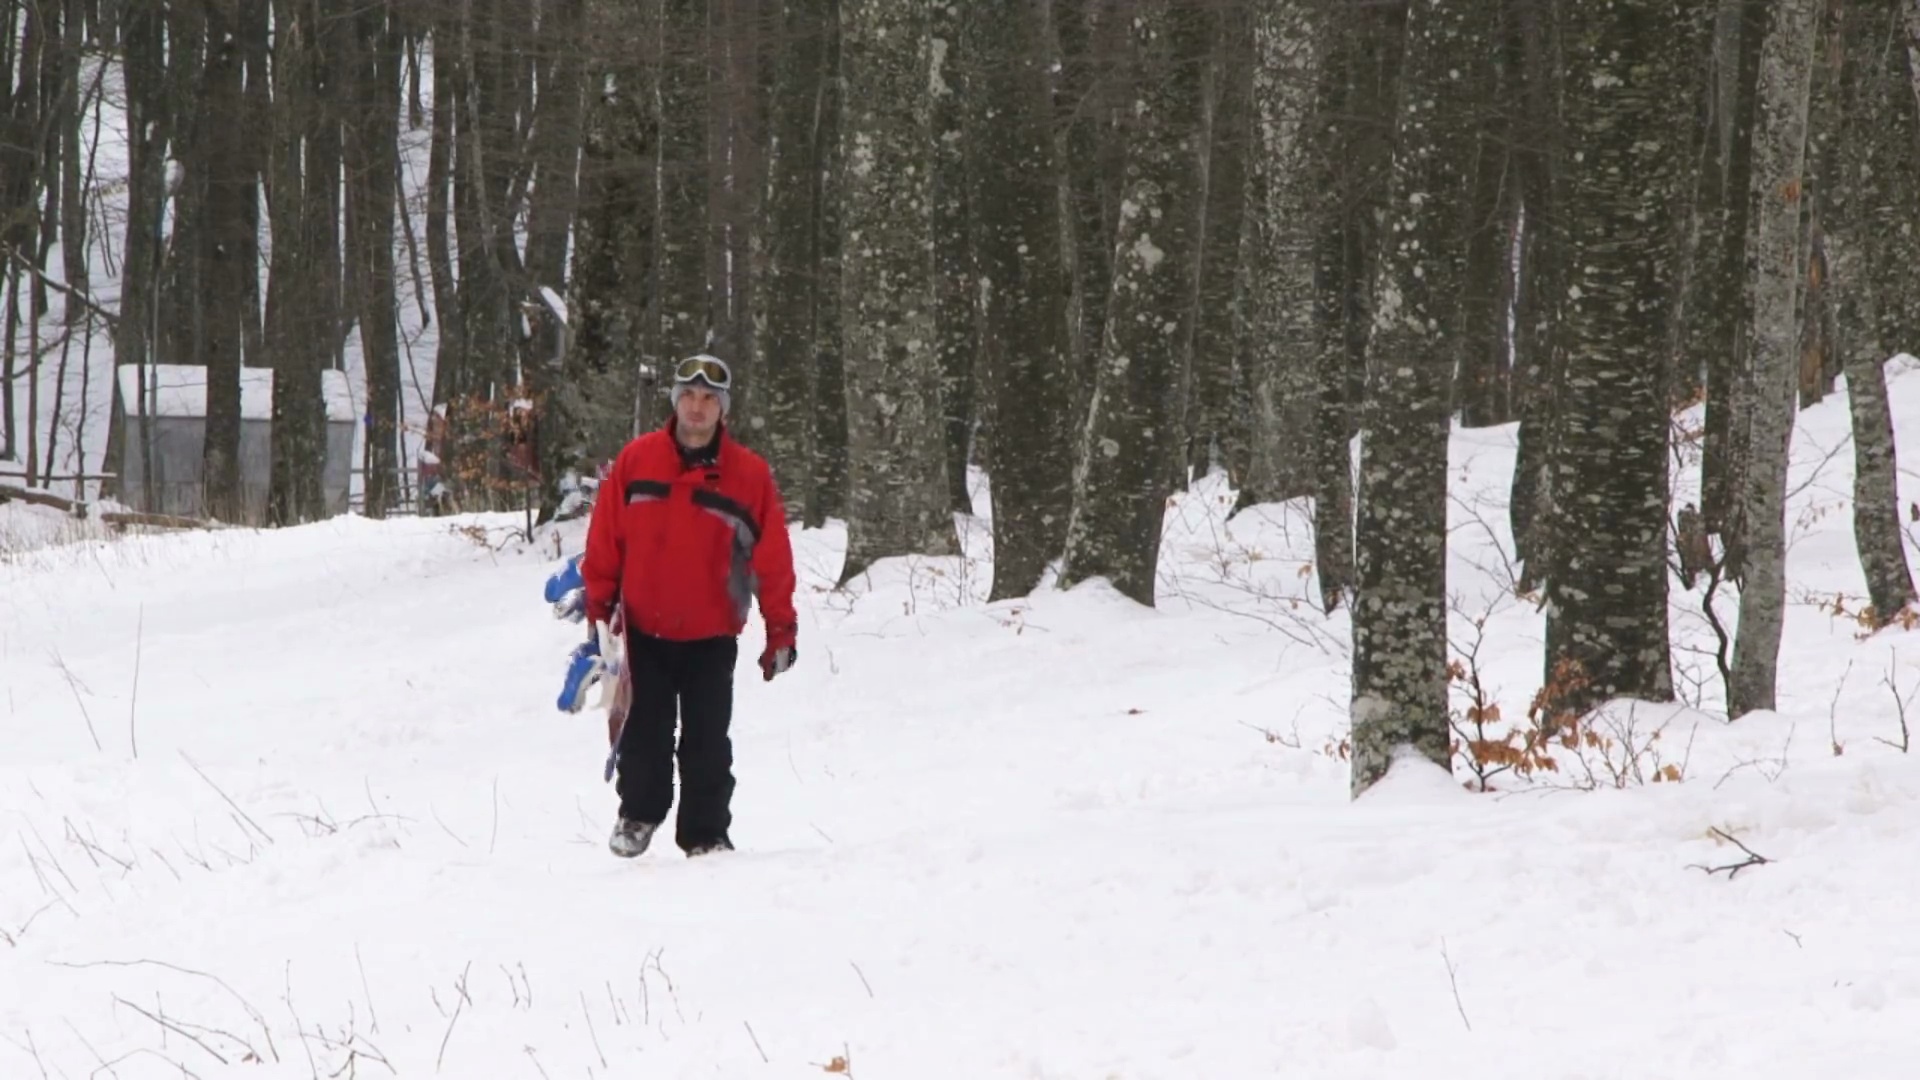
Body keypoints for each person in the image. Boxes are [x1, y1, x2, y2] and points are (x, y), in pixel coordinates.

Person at [579, 353, 798, 858]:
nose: (697, 408)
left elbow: (773, 560)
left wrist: (780, 630)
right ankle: (638, 814)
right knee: (643, 733)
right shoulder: (636, 461)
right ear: (675, 402)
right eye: (689, 397)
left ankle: (705, 833)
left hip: (711, 634)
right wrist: (598, 613)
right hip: (642, 631)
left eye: (708, 400)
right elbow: (605, 539)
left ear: (723, 410)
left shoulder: (749, 477)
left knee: (707, 743)